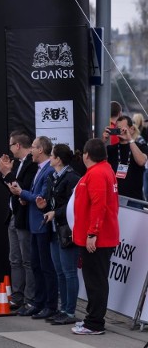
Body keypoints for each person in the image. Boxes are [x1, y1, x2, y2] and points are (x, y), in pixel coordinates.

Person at [71, 139, 119, 335]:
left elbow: (99, 206)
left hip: (98, 238)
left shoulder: (98, 173)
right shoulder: (102, 170)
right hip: (98, 235)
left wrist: (92, 233)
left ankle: (95, 323)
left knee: (96, 281)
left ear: (87, 155)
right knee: (95, 280)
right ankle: (93, 318)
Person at [8, 136, 57, 320]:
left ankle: (47, 304)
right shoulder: (39, 169)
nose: (31, 151)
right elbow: (35, 195)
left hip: (42, 225)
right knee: (35, 265)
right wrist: (24, 196)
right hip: (34, 224)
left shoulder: (48, 170)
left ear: (41, 150)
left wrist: (22, 193)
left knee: (45, 267)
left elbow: (41, 197)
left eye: (34, 148)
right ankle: (38, 302)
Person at [35, 144, 81, 325]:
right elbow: (49, 201)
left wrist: (56, 212)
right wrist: (43, 205)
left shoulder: (72, 178)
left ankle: (70, 311)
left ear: (58, 159)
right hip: (54, 229)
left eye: (52, 156)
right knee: (59, 271)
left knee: (69, 272)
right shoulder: (52, 177)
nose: (50, 158)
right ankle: (63, 309)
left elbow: (73, 205)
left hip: (66, 229)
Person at [0, 131, 37, 313]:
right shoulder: (20, 163)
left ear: (18, 145)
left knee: (27, 260)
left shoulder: (31, 164)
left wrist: (7, 173)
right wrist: (6, 173)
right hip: (14, 214)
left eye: (11, 145)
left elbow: (20, 189)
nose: (10, 149)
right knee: (15, 259)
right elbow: (12, 187)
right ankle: (17, 296)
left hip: (24, 216)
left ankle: (30, 299)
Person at [103, 115, 148, 202]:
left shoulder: (141, 146)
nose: (121, 131)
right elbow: (95, 161)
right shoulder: (111, 149)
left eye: (124, 129)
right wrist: (103, 141)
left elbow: (141, 161)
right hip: (114, 198)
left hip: (134, 199)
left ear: (131, 129)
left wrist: (129, 139)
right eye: (118, 129)